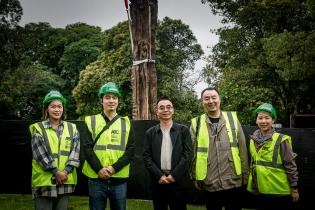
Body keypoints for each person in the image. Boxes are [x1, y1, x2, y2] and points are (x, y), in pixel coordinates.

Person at [190, 87, 249, 210]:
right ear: (202, 102)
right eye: (206, 99)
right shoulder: (196, 123)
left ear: (219, 99)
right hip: (210, 181)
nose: (211, 101)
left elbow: (242, 149)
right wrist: (194, 176)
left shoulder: (233, 119)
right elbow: (193, 152)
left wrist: (245, 173)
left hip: (233, 179)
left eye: (213, 97)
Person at [82, 82, 135, 210]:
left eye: (114, 97)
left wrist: (113, 168)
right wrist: (99, 169)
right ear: (102, 101)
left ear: (118, 101)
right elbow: (87, 148)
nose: (111, 100)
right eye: (107, 97)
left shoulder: (126, 123)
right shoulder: (91, 121)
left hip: (119, 179)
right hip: (96, 179)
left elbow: (130, 150)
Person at [29, 90, 80, 210]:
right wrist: (57, 173)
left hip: (65, 181)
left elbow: (75, 153)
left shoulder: (72, 129)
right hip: (44, 183)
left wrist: (65, 172)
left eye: (59, 106)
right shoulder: (39, 129)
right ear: (46, 109)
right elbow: (41, 156)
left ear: (63, 109)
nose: (57, 110)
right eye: (53, 106)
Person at [143, 97, 193, 210]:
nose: (165, 110)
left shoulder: (183, 131)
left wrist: (173, 176)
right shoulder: (150, 133)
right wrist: (159, 176)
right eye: (162, 108)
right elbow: (146, 156)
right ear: (157, 112)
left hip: (178, 182)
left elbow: (188, 155)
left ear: (173, 110)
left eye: (168, 107)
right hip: (158, 182)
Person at [247, 103, 299, 209]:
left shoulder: (281, 140)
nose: (263, 121)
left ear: (273, 121)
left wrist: (294, 188)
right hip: (261, 190)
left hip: (278, 191)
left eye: (267, 118)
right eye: (260, 118)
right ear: (256, 120)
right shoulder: (253, 140)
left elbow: (290, 164)